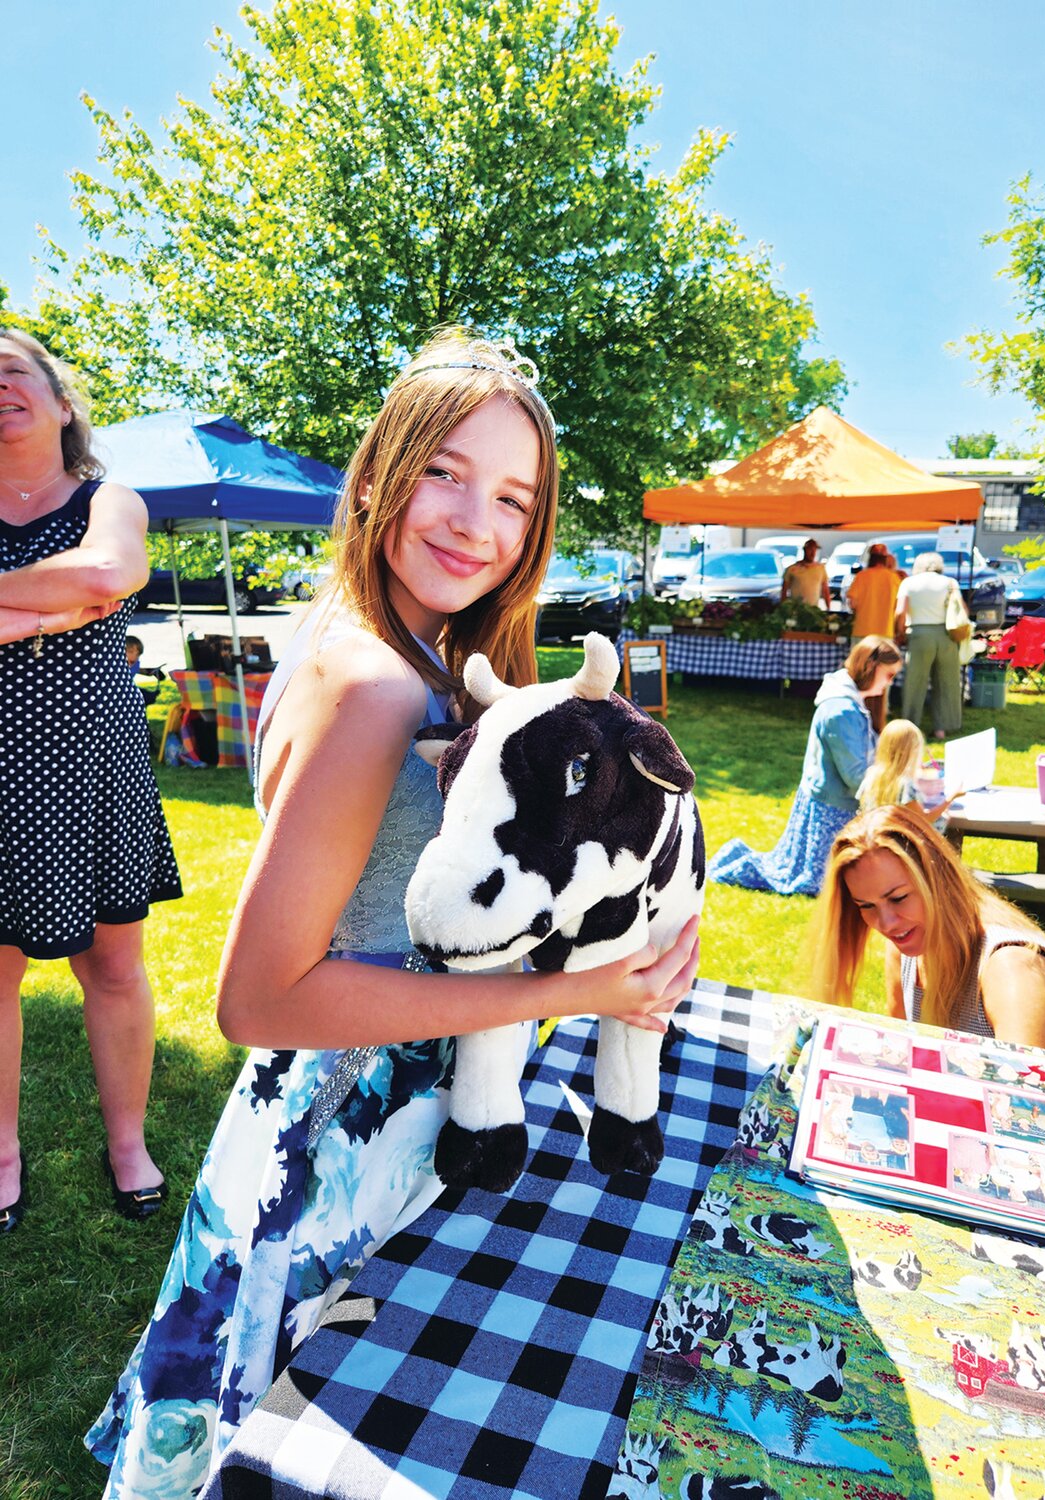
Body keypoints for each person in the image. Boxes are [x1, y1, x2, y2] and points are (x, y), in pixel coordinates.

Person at [86, 329, 700, 1497]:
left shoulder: (404, 646)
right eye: (446, 473)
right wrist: (576, 993)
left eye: (515, 497)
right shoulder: (378, 684)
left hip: (360, 1119)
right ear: (378, 471)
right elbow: (258, 997)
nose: (479, 521)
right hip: (340, 1139)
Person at [0, 330, 182, 1236]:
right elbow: (84, 589)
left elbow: (112, 571)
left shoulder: (111, 497)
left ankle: (127, 1145)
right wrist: (51, 610)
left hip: (89, 770)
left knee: (112, 965)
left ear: (61, 401)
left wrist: (8, 605)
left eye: (13, 371)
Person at [813, 803, 1045, 1062]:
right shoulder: (906, 945)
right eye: (866, 905)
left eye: (898, 898)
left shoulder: (1011, 969)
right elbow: (904, 1053)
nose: (887, 923)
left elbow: (1024, 1108)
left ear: (938, 877)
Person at [708, 636, 901, 896]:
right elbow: (855, 776)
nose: (890, 682)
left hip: (832, 803)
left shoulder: (850, 703)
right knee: (818, 883)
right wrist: (897, 781)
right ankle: (736, 862)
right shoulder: (841, 711)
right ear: (870, 667)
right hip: (831, 809)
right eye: (889, 675)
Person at [894, 551, 965, 741]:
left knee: (914, 683)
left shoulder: (908, 583)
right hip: (947, 636)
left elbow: (900, 611)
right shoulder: (950, 582)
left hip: (919, 635)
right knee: (946, 682)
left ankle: (911, 725)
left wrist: (899, 632)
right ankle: (942, 727)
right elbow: (962, 609)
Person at [856, 719, 959, 831]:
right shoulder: (905, 783)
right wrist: (950, 799)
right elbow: (923, 820)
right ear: (910, 751)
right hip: (900, 843)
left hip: (874, 838)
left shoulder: (872, 775)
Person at [847, 545, 901, 730]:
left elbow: (852, 603)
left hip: (862, 630)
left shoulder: (862, 576)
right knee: (884, 677)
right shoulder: (893, 578)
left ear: (870, 557)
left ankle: (856, 705)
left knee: (859, 672)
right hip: (885, 632)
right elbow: (898, 606)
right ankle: (881, 711)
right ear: (885, 559)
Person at [780, 537, 830, 609]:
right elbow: (784, 591)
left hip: (813, 611)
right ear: (804, 550)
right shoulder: (792, 569)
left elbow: (826, 591)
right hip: (795, 610)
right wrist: (783, 608)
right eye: (810, 549)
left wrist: (829, 608)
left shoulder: (821, 569)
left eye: (814, 550)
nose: (813, 553)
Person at [124, 633, 166, 705]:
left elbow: (137, 670)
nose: (134, 656)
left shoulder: (135, 664)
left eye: (138, 655)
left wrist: (152, 672)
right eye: (130, 652)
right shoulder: (117, 666)